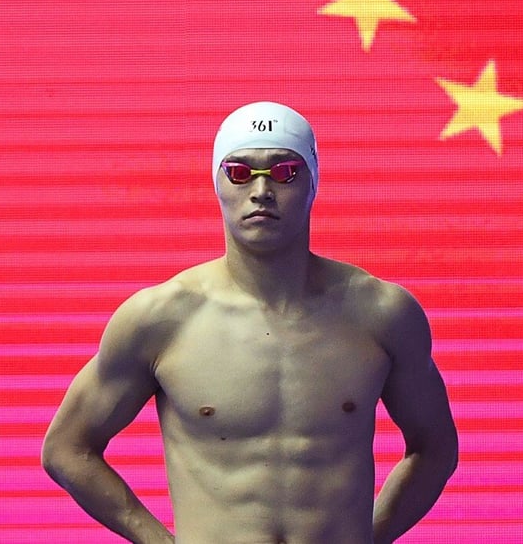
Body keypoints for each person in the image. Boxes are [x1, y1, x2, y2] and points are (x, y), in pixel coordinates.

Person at [42, 101, 458, 543]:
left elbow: (435, 449)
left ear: (313, 183)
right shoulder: (161, 319)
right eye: (240, 172)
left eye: (284, 173)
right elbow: (67, 448)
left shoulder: (381, 314)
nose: (261, 190)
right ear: (217, 184)